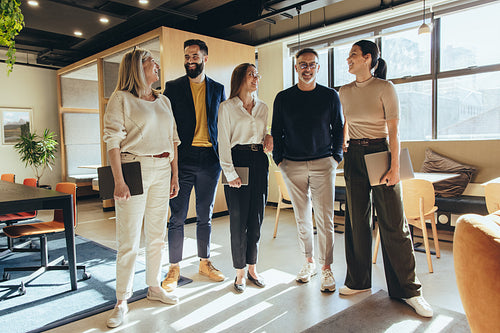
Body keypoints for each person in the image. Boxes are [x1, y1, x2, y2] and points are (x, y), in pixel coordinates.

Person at [338, 40, 433, 317]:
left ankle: (409, 290)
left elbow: (394, 131)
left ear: (368, 58)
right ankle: (358, 282)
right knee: (356, 221)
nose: (349, 59)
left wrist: (394, 167)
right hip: (354, 155)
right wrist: (344, 140)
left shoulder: (385, 88)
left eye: (353, 55)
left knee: (393, 222)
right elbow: (347, 120)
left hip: (381, 152)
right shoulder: (344, 91)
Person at [103, 47, 180, 328]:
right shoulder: (121, 98)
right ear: (137, 67)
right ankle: (122, 299)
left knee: (157, 234)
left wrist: (175, 175)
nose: (157, 66)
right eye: (151, 62)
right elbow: (112, 141)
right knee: (129, 240)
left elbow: (173, 140)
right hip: (132, 169)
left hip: (162, 169)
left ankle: (154, 286)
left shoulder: (164, 101)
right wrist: (119, 180)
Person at [271, 48, 343, 292]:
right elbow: (276, 130)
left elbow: (339, 128)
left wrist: (336, 158)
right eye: (303, 64)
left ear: (318, 68)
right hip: (292, 165)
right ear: (296, 67)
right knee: (302, 218)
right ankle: (309, 262)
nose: (307, 68)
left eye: (312, 64)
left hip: (324, 164)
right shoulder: (283, 98)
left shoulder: (330, 96)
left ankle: (326, 269)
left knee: (325, 219)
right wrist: (279, 160)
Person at [161, 39, 226, 291]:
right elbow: (166, 125)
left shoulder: (218, 89)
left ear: (205, 59)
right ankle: (174, 267)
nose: (190, 61)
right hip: (183, 159)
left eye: (195, 57)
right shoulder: (173, 88)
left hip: (210, 160)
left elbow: (224, 124)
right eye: (187, 57)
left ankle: (205, 262)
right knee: (177, 216)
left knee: (205, 216)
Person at [218, 63, 273, 293]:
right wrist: (230, 173)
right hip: (237, 160)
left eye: (257, 74)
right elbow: (223, 142)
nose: (255, 78)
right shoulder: (227, 107)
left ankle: (252, 268)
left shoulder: (263, 107)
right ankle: (239, 272)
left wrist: (269, 136)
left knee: (256, 219)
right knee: (238, 221)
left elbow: (264, 132)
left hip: (259, 161)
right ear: (240, 78)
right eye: (251, 74)